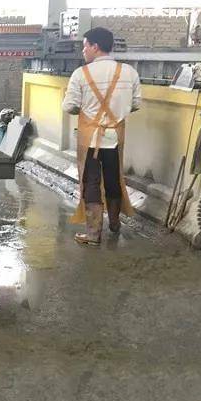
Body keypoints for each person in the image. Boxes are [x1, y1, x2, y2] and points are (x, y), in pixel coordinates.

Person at [61, 27, 141, 245]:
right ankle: (114, 224)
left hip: (90, 139)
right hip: (115, 138)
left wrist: (89, 112)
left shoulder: (81, 74)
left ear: (95, 47)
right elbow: (135, 104)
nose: (83, 51)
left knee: (91, 183)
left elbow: (69, 106)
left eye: (85, 46)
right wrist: (115, 114)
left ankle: (93, 233)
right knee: (114, 180)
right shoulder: (129, 72)